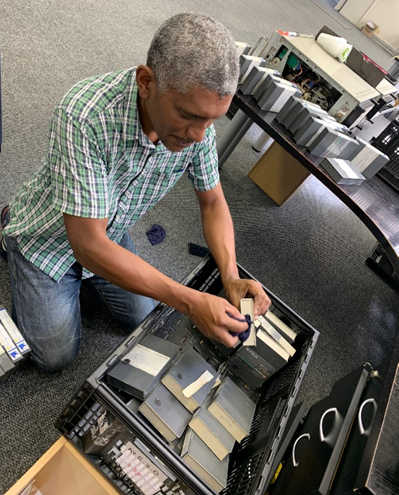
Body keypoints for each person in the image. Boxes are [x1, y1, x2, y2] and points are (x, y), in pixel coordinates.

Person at [1, 12, 270, 372]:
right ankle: (10, 228)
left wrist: (231, 275)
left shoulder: (197, 125)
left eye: (212, 121)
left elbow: (213, 202)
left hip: (107, 229)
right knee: (55, 357)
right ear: (146, 81)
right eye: (189, 116)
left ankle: (89, 278)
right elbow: (87, 245)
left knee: (145, 316)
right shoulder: (84, 116)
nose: (199, 136)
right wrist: (189, 301)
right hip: (51, 239)